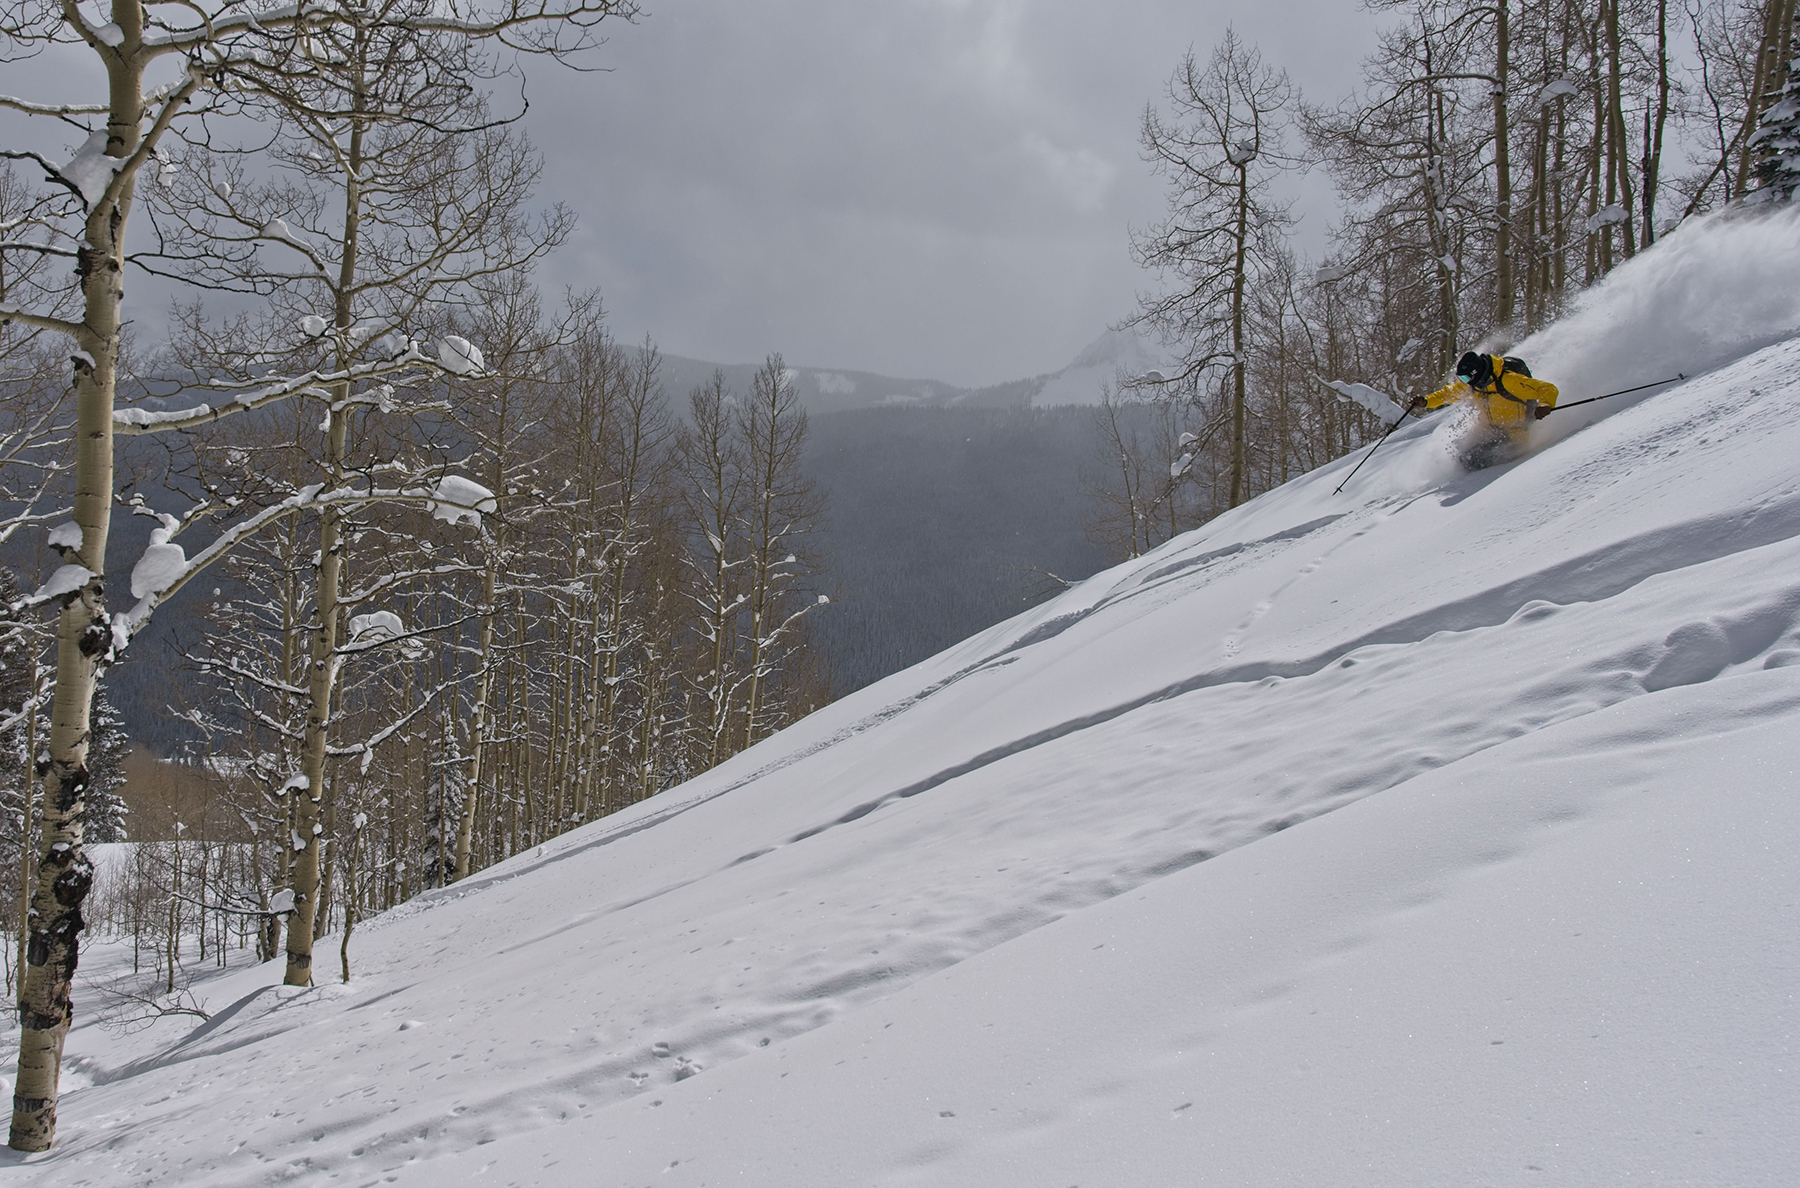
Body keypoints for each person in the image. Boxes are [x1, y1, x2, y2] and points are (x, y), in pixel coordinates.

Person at [1410, 351, 1560, 470]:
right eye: (1461, 378)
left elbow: (1547, 388)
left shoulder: (1509, 381)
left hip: (1515, 436)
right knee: (1465, 459)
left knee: (1477, 462)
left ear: (1476, 373)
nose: (1464, 382)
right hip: (1491, 432)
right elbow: (1448, 394)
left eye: (1465, 378)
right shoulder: (1472, 383)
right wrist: (1427, 402)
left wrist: (1545, 405)